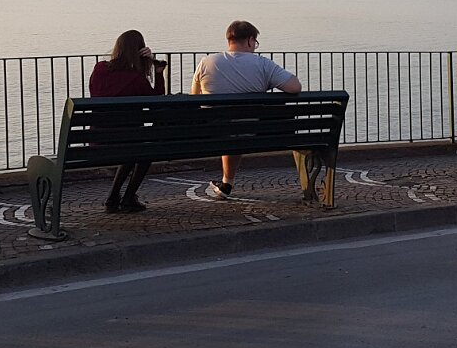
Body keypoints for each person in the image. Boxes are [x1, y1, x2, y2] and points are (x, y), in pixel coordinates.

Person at [191, 20, 301, 199]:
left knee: (230, 127)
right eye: (255, 42)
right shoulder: (263, 65)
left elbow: (194, 97)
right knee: (239, 126)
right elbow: (295, 86)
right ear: (250, 40)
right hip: (250, 133)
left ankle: (227, 183)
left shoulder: (207, 62)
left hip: (212, 134)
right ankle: (227, 182)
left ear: (229, 40)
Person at [88, 29, 169, 213]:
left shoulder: (99, 69)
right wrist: (156, 71)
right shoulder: (137, 79)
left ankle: (113, 198)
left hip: (98, 141)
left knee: (132, 145)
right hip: (127, 141)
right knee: (141, 149)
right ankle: (128, 197)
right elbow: (156, 104)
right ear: (139, 52)